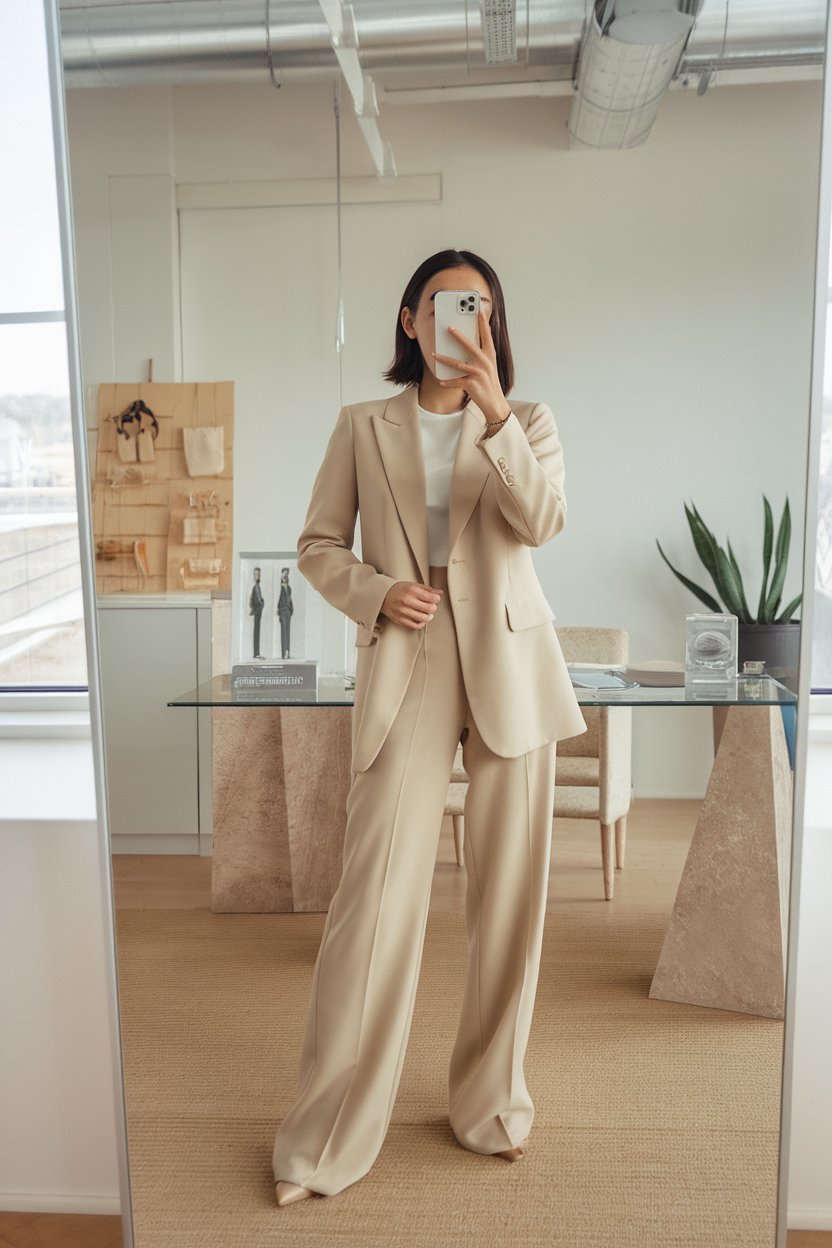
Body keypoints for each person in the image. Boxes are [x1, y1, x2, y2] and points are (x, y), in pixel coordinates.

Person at [272, 249, 586, 1207]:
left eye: (482, 308)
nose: (466, 320)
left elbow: (543, 522)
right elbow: (317, 544)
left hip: (511, 662)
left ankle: (490, 1106)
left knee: (508, 906)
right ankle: (327, 1137)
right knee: (373, 904)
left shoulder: (527, 422)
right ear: (411, 319)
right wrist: (376, 593)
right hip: (407, 659)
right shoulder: (362, 425)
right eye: (451, 305)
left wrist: (495, 415)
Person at [277, 566, 294, 659]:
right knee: (283, 633)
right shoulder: (279, 587)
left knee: (287, 632)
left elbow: (289, 599)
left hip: (288, 612)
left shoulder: (289, 588)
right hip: (282, 611)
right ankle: (284, 653)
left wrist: (291, 610)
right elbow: (279, 600)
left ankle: (287, 652)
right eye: (284, 573)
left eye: (287, 574)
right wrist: (279, 610)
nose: (285, 575)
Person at [249, 566, 264, 659]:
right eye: (256, 574)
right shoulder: (255, 587)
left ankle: (256, 652)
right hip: (257, 612)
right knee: (256, 632)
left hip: (258, 611)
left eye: (259, 574)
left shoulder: (257, 587)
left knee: (257, 632)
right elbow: (253, 600)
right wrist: (260, 604)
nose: (257, 576)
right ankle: (256, 653)